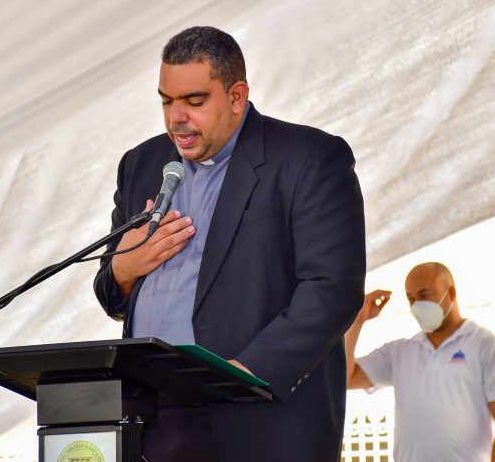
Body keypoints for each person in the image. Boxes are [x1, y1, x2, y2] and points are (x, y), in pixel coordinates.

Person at [94, 26, 366, 461]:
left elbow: (332, 290)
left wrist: (246, 374)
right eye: (166, 101)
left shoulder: (308, 158)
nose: (175, 118)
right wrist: (124, 270)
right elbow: (111, 294)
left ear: (237, 96)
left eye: (194, 101)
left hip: (259, 416)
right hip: (152, 419)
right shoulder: (141, 164)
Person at [345, 262, 495, 462]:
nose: (417, 305)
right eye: (411, 298)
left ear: (451, 293)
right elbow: (347, 378)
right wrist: (357, 320)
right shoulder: (400, 352)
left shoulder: (484, 345)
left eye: (424, 295)